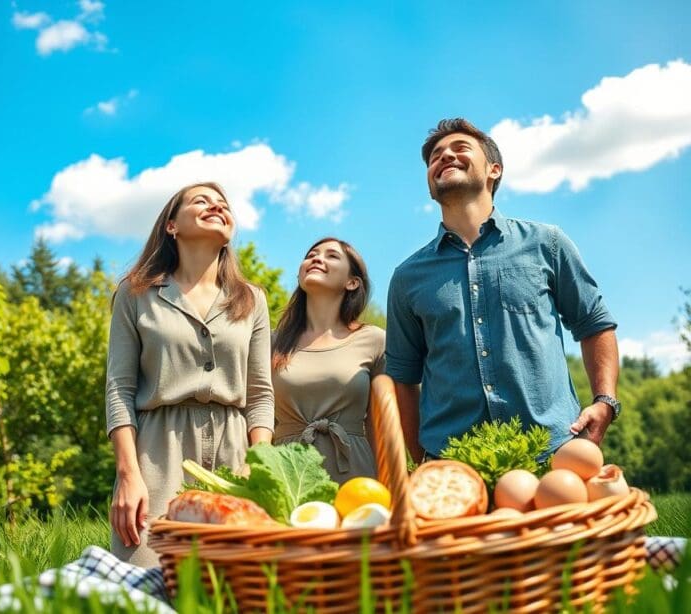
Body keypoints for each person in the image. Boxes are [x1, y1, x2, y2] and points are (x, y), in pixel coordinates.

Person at [386, 118, 620, 463]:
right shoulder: (407, 277)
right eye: (436, 156)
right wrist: (422, 457)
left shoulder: (547, 243)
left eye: (460, 148)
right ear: (430, 186)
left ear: (494, 170)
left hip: (553, 451)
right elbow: (403, 378)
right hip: (452, 463)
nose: (445, 156)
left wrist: (605, 401)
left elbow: (594, 324)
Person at [106, 182, 274, 567]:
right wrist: (129, 474)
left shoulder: (252, 300)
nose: (216, 206)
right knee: (145, 579)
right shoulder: (135, 293)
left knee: (233, 584)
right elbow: (119, 389)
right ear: (171, 226)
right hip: (156, 454)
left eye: (223, 204)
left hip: (236, 452)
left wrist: (258, 463)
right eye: (202, 201)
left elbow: (261, 394)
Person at [271, 237, 386, 483]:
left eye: (331, 256)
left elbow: (380, 424)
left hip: (355, 475)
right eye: (311, 255)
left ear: (352, 282)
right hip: (286, 473)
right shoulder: (271, 342)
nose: (316, 259)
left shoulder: (374, 340)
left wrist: (388, 481)